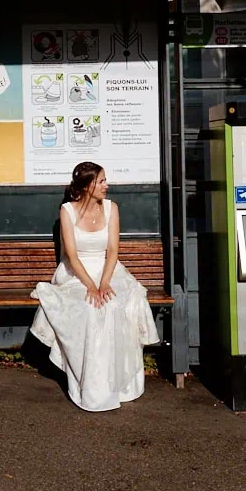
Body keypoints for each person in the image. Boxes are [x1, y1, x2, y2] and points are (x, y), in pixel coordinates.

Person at [29, 162, 160, 411]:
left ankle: (118, 385)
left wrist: (104, 283)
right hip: (76, 274)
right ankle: (89, 385)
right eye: (101, 181)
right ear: (88, 186)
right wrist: (90, 286)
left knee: (115, 306)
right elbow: (72, 255)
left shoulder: (112, 209)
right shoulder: (67, 211)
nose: (106, 186)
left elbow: (112, 250)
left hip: (108, 271)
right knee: (89, 309)